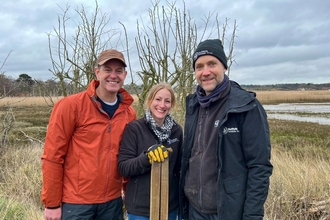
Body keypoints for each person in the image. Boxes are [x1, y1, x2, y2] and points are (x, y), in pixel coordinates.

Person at [179, 39, 273, 220]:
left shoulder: (246, 106)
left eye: (212, 64)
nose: (205, 72)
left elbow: (259, 166)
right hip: (193, 210)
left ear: (224, 67)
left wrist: (252, 216)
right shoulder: (193, 105)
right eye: (199, 66)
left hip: (227, 212)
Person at [41, 49, 136, 220]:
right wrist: (52, 203)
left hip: (112, 203)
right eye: (108, 69)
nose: (113, 75)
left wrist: (127, 193)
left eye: (119, 71)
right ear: (97, 72)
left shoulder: (129, 113)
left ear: (125, 75)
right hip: (76, 204)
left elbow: (127, 159)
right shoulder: (70, 106)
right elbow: (52, 156)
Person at [118, 82, 183, 220]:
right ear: (150, 101)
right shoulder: (134, 129)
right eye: (158, 99)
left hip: (169, 207)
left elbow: (179, 170)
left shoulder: (177, 131)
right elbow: (124, 167)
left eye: (167, 101)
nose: (162, 105)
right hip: (140, 209)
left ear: (172, 105)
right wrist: (146, 158)